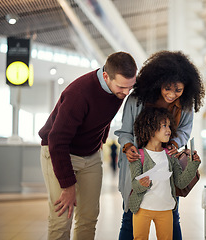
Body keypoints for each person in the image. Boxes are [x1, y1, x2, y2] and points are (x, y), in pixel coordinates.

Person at [38, 52, 137, 240]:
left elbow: (104, 116)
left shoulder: (120, 88)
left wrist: (101, 137)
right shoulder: (79, 93)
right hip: (60, 153)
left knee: (89, 217)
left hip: (90, 156)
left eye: (130, 87)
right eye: (122, 87)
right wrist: (68, 186)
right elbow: (57, 140)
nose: (126, 93)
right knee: (62, 219)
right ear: (106, 76)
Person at [114, 50, 205, 239]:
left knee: (171, 216)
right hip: (137, 165)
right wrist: (128, 146)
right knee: (130, 217)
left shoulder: (186, 105)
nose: (172, 94)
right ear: (158, 82)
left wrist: (175, 143)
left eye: (178, 90)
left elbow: (185, 131)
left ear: (186, 89)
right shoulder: (136, 100)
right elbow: (124, 132)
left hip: (166, 167)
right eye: (167, 88)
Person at [130, 107, 201, 240]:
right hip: (142, 208)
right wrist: (142, 183)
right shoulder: (138, 156)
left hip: (166, 209)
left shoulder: (170, 155)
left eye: (169, 126)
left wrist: (193, 164)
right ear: (150, 128)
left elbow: (180, 182)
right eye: (164, 126)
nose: (169, 130)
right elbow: (135, 185)